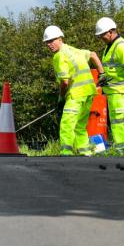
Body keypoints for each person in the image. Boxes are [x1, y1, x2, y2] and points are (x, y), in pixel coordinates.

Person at [43, 25, 105, 156]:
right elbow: (93, 54)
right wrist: (101, 73)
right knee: (80, 126)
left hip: (76, 95)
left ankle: (66, 153)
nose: (49, 44)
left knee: (66, 125)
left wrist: (61, 98)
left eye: (52, 40)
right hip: (89, 93)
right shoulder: (74, 50)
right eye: (47, 42)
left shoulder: (59, 56)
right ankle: (85, 153)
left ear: (60, 39)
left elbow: (65, 81)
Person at [94, 17, 124, 153]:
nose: (101, 38)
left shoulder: (121, 46)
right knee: (118, 120)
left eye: (102, 35)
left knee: (118, 120)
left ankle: (123, 150)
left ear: (110, 32)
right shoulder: (109, 47)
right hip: (115, 90)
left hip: (122, 90)